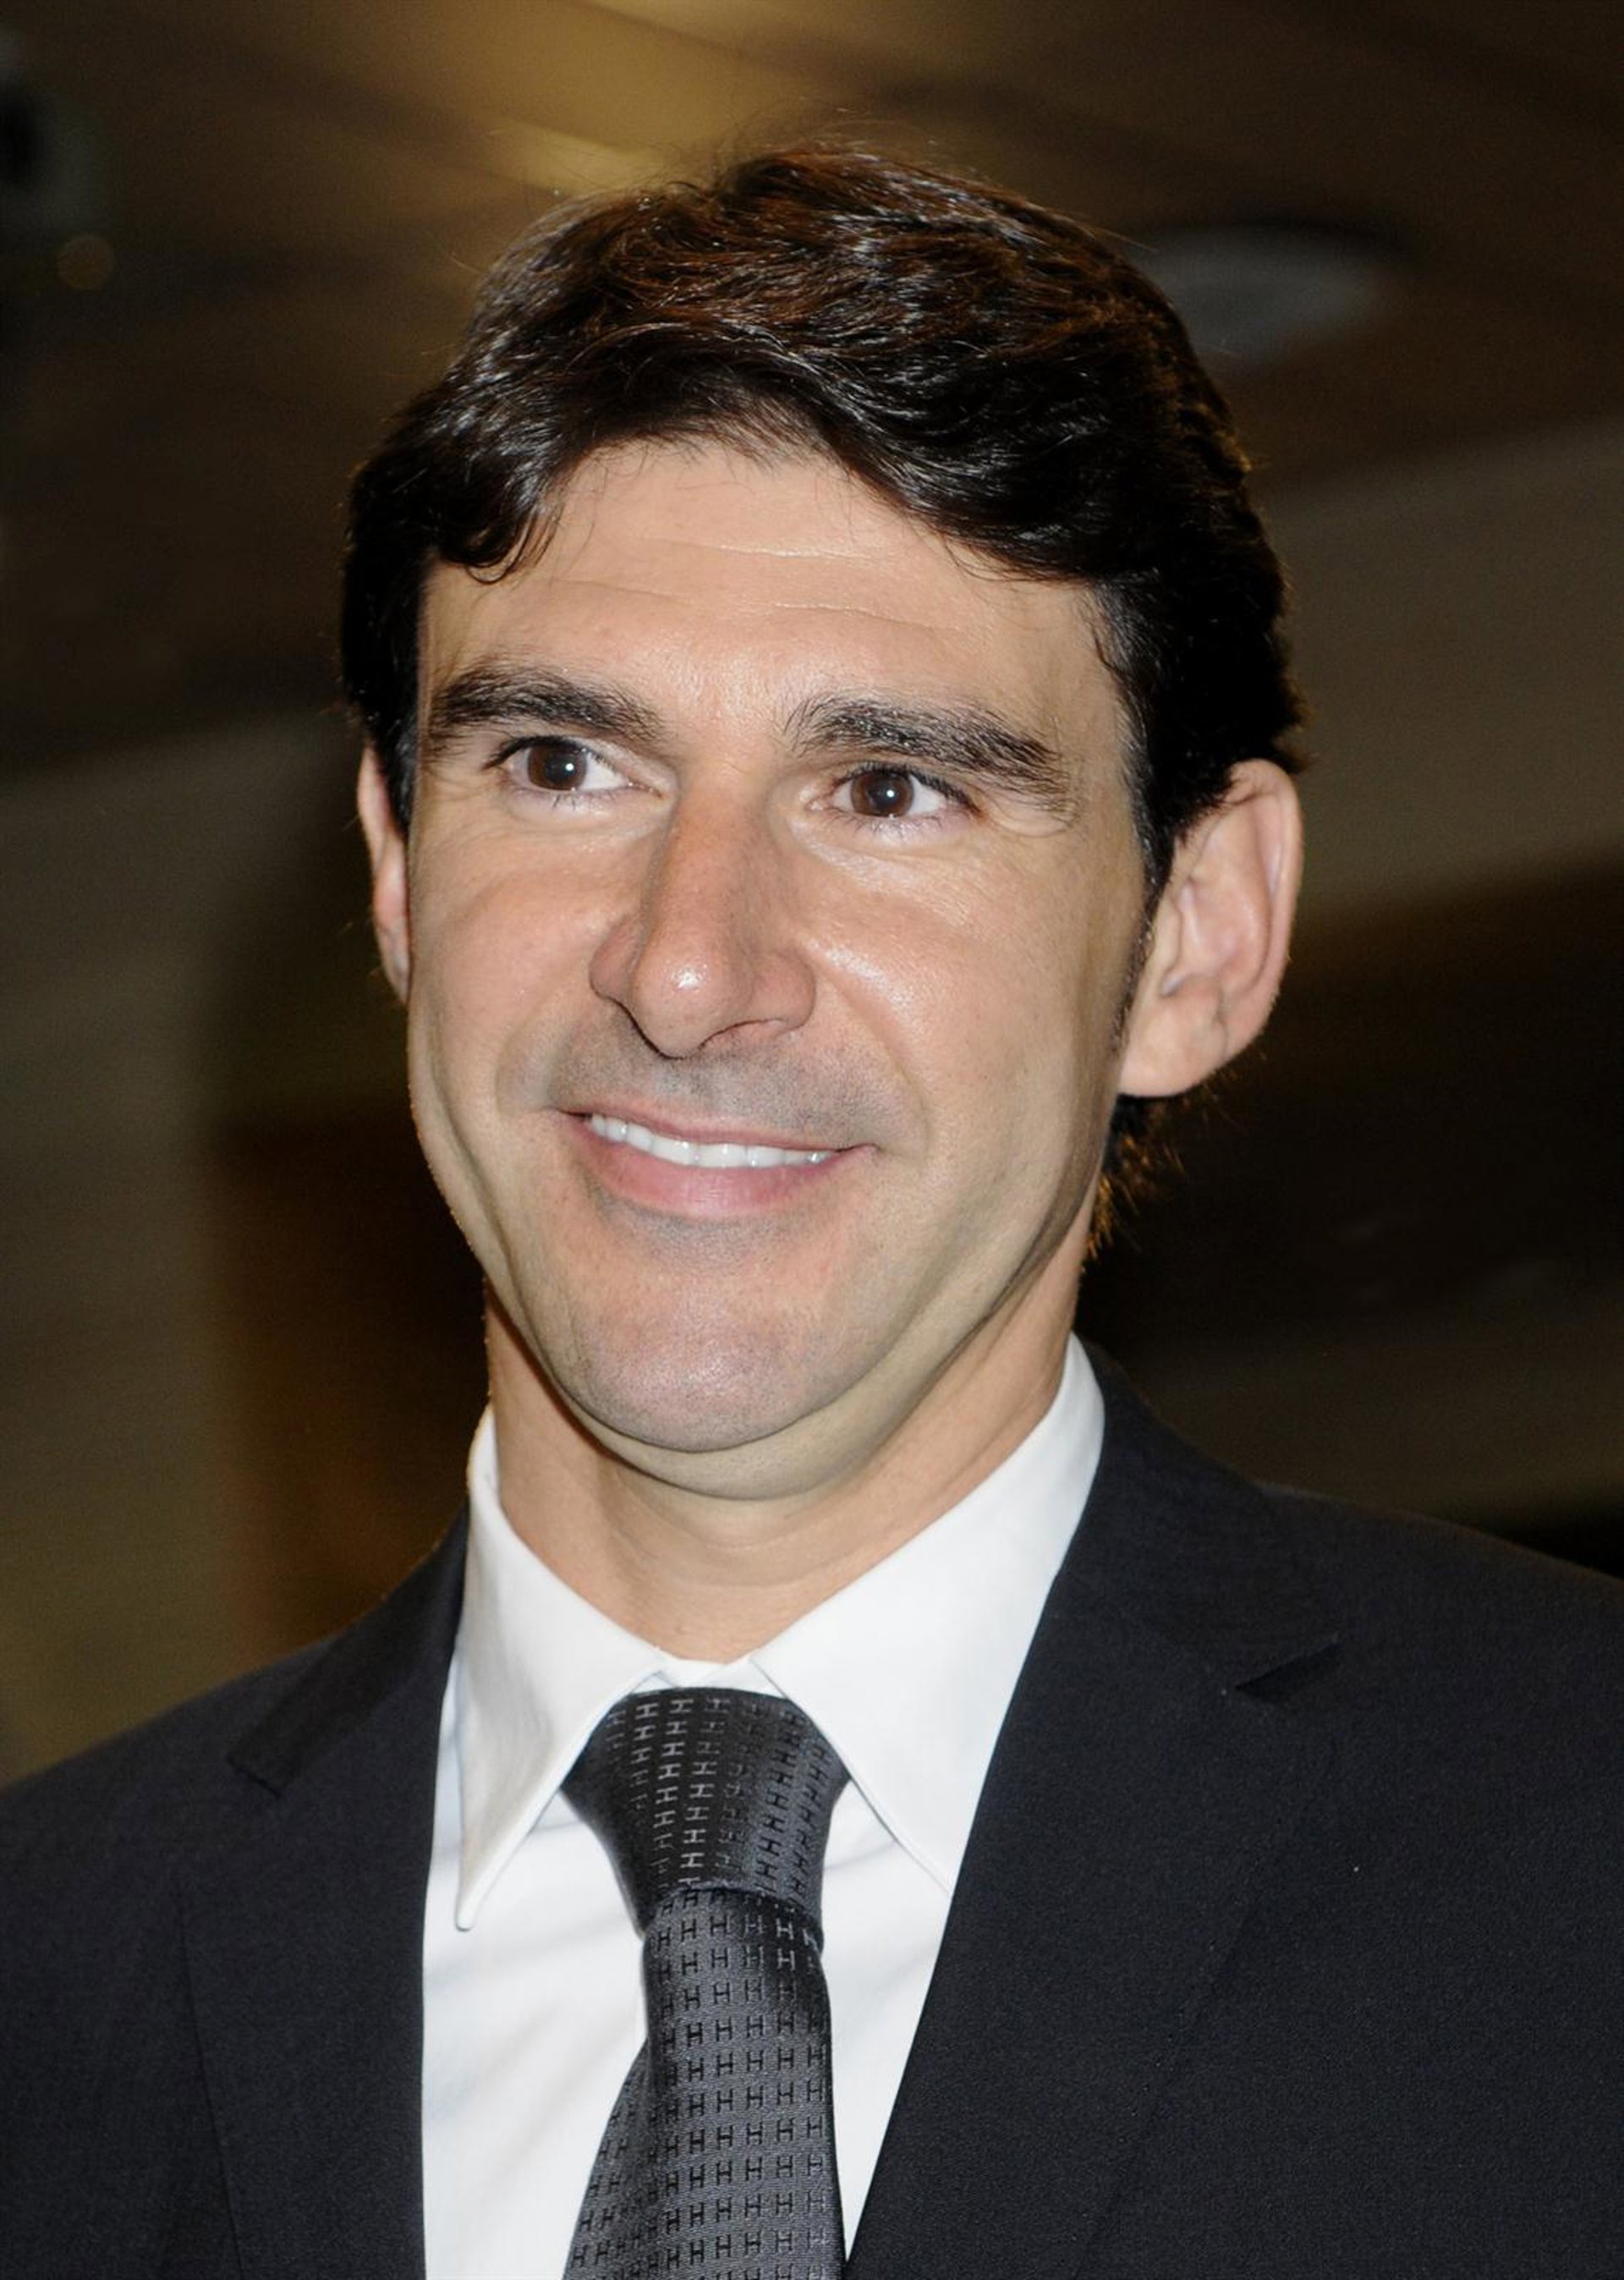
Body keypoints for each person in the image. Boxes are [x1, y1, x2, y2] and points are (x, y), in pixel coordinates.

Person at [3, 145, 1621, 2280]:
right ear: (395, 868)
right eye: (563, 764)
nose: (687, 968)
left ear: (1197, 934)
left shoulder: (1577, 1846)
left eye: (890, 790)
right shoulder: (45, 1983)